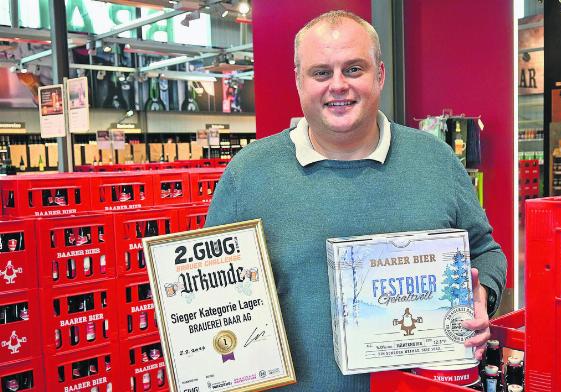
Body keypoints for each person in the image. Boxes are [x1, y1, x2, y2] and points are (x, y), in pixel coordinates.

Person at [205, 10, 507, 390]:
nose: (338, 85)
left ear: (379, 75)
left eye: (353, 69)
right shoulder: (247, 174)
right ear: (299, 81)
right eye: (321, 73)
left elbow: (486, 252)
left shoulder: (436, 160)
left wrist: (480, 293)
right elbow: (213, 292)